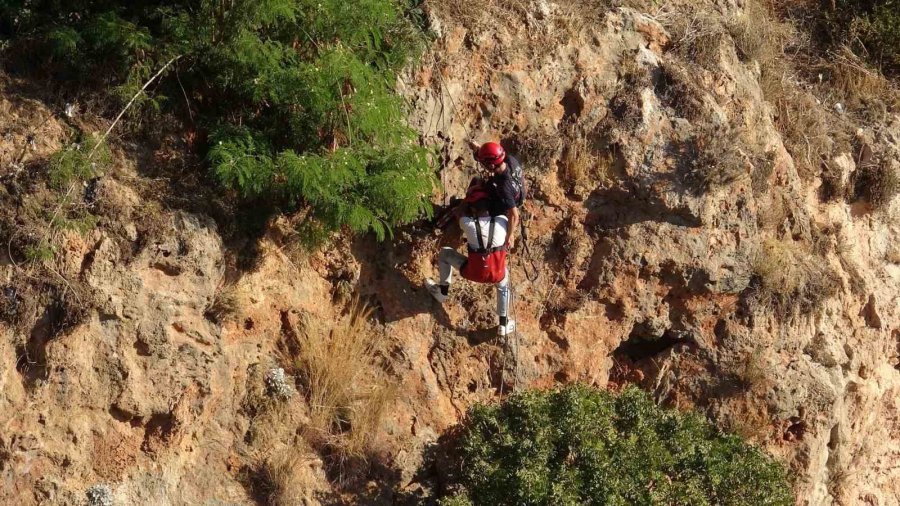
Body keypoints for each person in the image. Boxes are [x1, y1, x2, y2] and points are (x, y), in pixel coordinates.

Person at [426, 185, 515, 336]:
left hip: (472, 272)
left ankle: (443, 291)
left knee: (445, 254)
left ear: (473, 209)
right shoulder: (502, 221)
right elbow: (508, 213)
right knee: (503, 282)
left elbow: (459, 212)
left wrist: (466, 201)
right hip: (496, 273)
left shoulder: (468, 224)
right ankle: (503, 323)